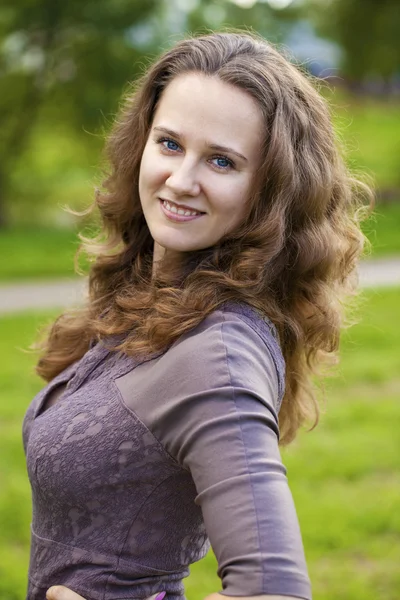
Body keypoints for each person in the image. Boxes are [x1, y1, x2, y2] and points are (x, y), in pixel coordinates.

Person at [23, 30, 373, 600]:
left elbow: (274, 591)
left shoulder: (219, 352)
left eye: (220, 160)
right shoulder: (153, 294)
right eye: (168, 144)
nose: (181, 180)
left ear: (269, 190)